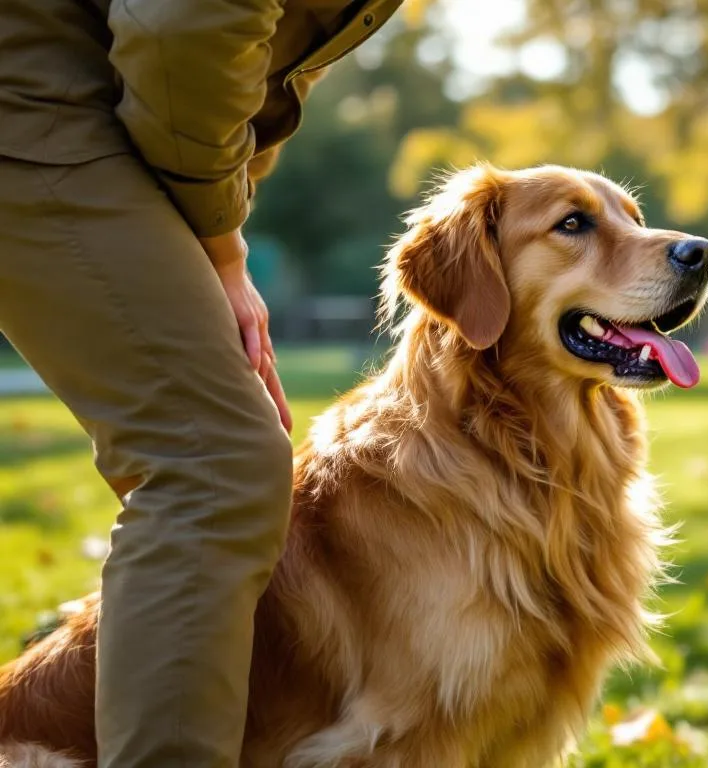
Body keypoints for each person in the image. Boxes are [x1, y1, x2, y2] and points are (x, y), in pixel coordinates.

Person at [0, 1, 402, 765]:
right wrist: (219, 243)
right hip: (34, 95)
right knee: (211, 462)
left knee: (217, 464)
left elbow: (261, 65)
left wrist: (223, 220)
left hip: (92, 100)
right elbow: (183, 32)